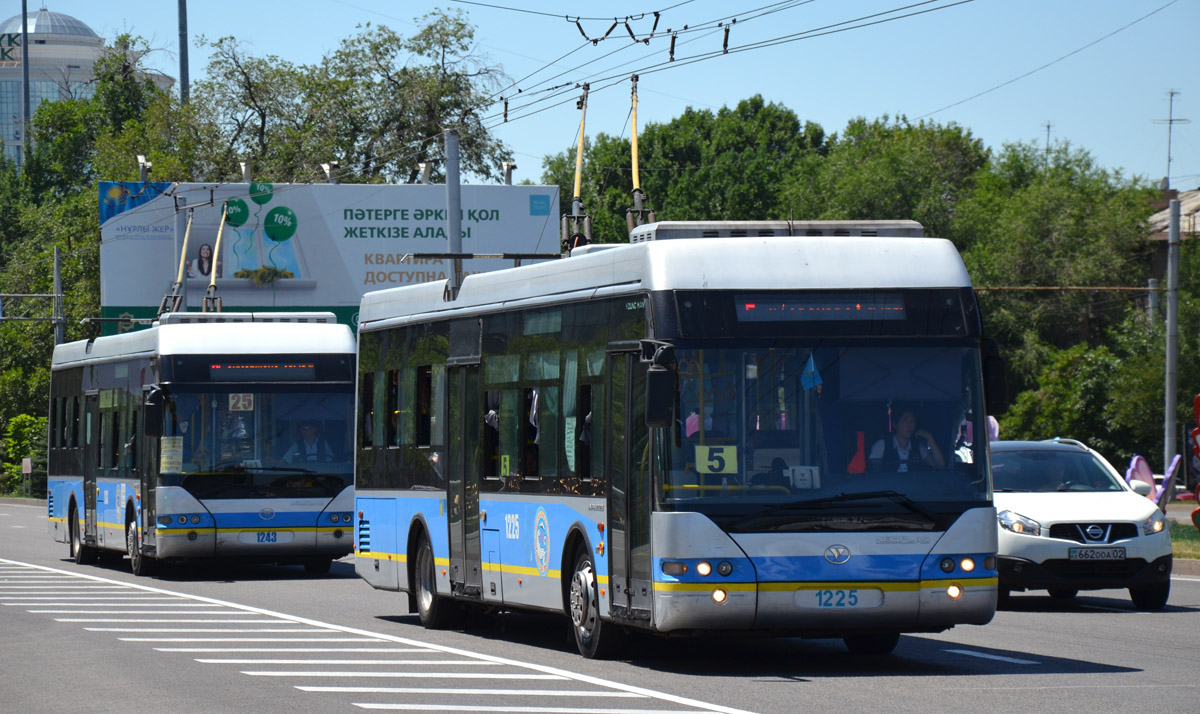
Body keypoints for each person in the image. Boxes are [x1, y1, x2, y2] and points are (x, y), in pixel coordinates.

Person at [868, 408, 945, 473]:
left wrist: (929, 438)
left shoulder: (918, 447)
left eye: (912, 421)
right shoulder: (881, 445)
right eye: (905, 421)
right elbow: (873, 472)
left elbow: (940, 465)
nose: (909, 425)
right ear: (895, 424)